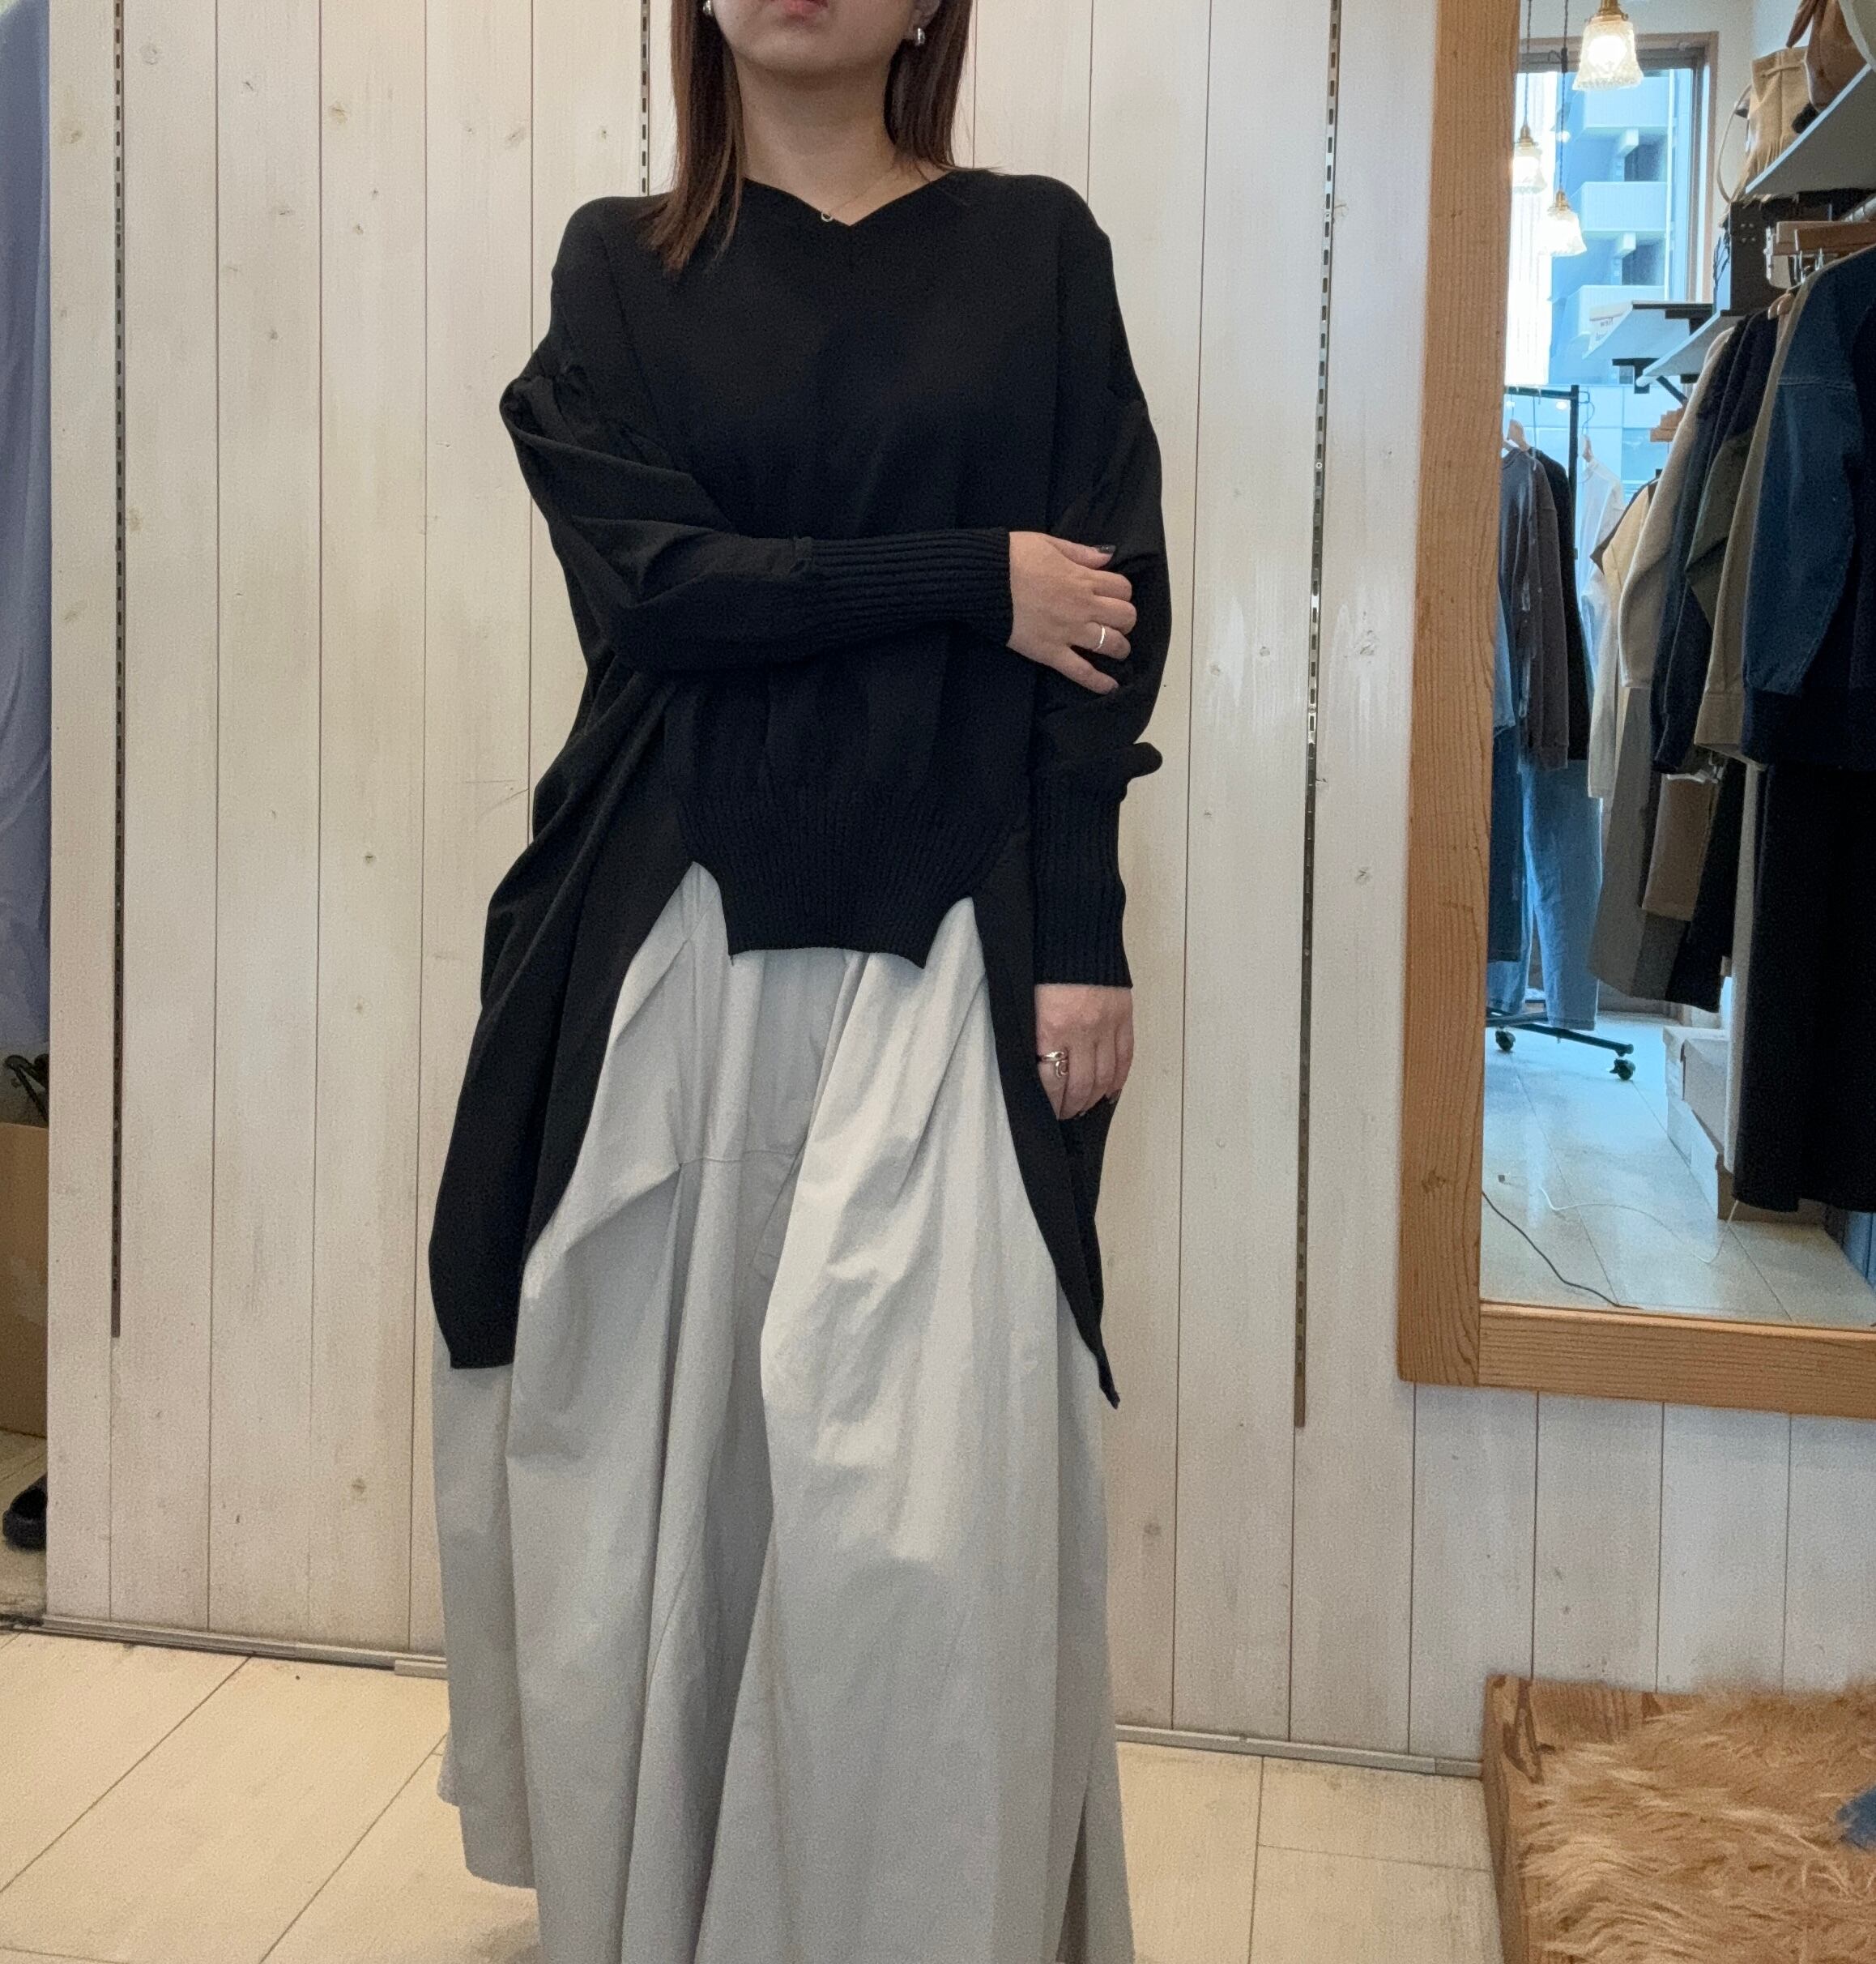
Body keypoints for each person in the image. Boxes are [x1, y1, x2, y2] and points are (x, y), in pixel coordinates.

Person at [425, 2, 1172, 1959]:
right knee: (662, 1499)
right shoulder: (622, 265)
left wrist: (1086, 940)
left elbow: (1107, 627)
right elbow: (654, 591)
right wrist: (967, 579)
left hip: (955, 944)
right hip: (672, 944)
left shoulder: (1037, 253)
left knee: (913, 1518)